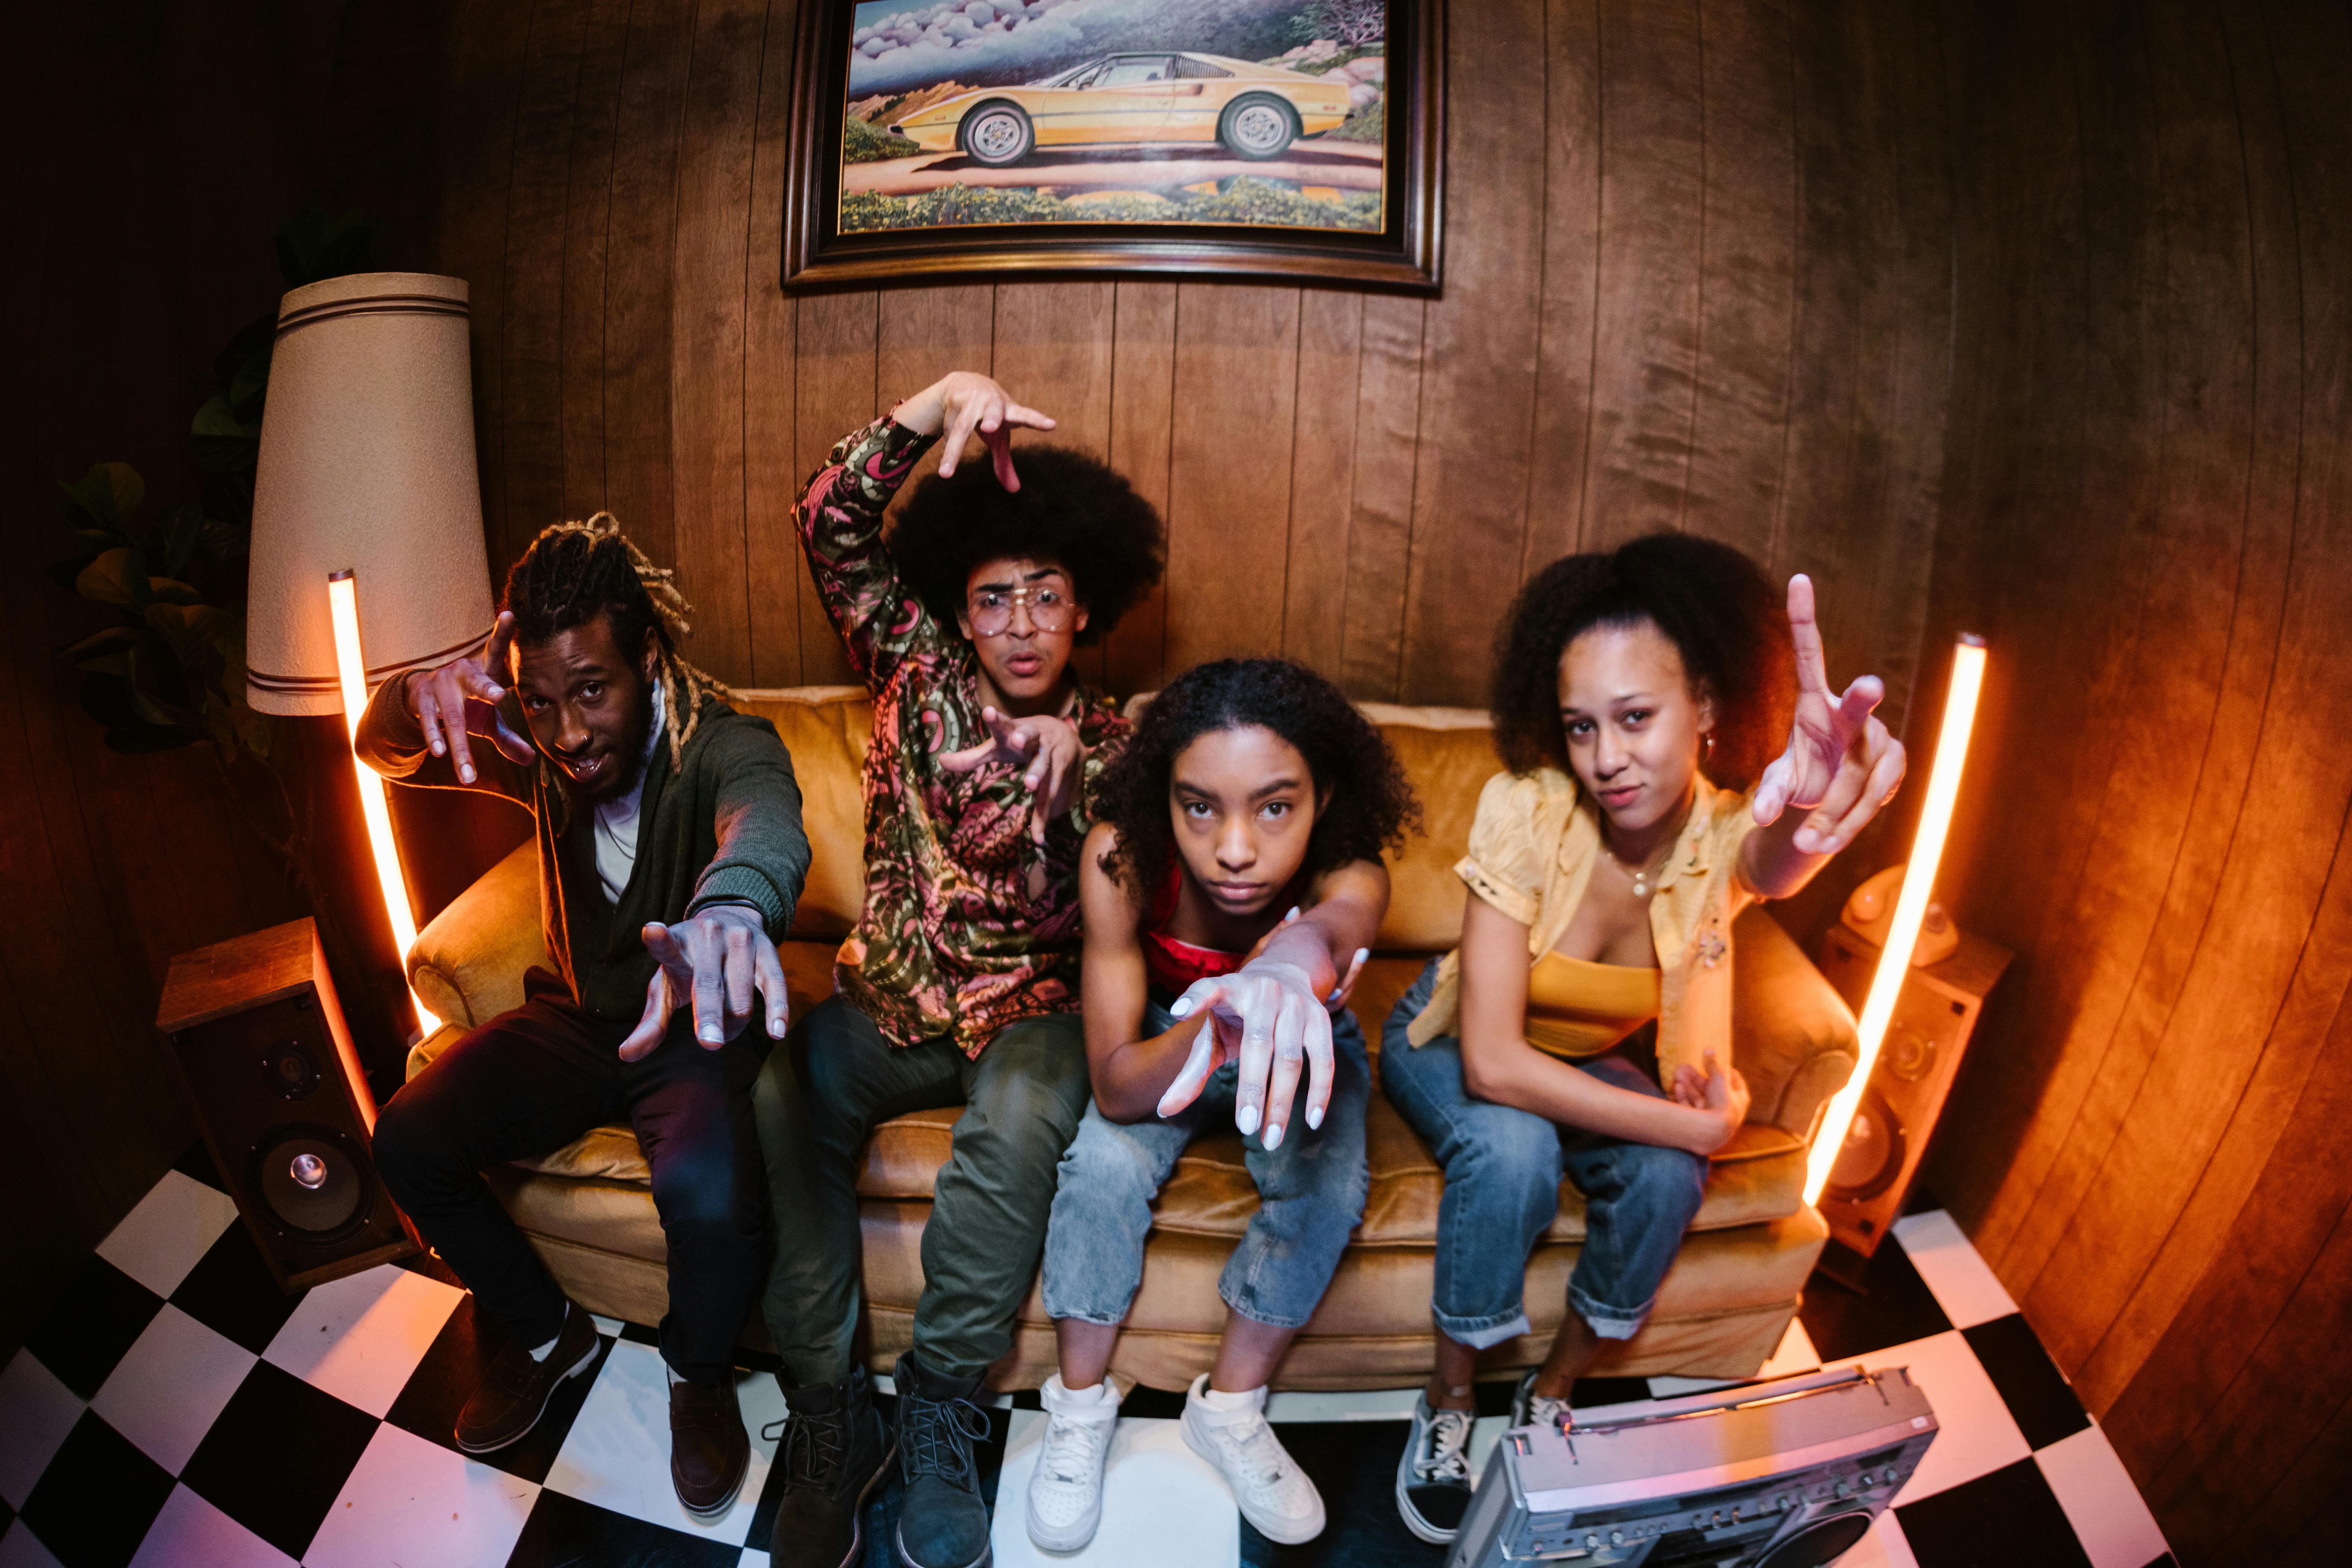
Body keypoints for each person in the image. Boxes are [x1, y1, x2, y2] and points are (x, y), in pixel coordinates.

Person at [1381, 534, 1908, 1546]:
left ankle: (1553, 1389)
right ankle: (1449, 1400)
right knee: (1511, 1147)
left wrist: (1808, 803)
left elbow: (1774, 857)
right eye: (1581, 726)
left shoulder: (1719, 834)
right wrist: (1684, 1124)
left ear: (1705, 708)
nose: (1605, 757)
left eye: (1634, 718)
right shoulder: (1525, 810)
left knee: (1665, 1180)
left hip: (1580, 1058)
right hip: (1449, 1036)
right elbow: (1491, 1064)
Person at [758, 371, 1165, 1568]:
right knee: (777, 1094)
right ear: (963, 613)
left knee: (1028, 1118)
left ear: (1083, 610)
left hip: (1030, 1010)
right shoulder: (911, 667)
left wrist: (1079, 781)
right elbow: (825, 523)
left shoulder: (1120, 742)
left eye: (1047, 597)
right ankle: (832, 1415)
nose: (1024, 623)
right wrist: (927, 409)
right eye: (996, 601)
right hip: (886, 997)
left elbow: (1150, 878)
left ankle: (941, 1408)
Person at [360, 515, 809, 1520]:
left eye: (593, 692)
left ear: (645, 658)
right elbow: (379, 748)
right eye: (544, 701)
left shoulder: (721, 740)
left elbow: (765, 817)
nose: (568, 734)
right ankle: (541, 1330)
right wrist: (405, 700)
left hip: (686, 1022)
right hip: (577, 1021)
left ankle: (696, 1377)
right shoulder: (530, 736)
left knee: (705, 1194)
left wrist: (732, 903)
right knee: (406, 1139)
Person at [1025, 659, 1417, 1552]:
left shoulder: (1347, 866)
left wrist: (1280, 969)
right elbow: (1119, 1086)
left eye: (1273, 806)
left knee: (1326, 1185)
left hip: (1300, 1034)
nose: (1234, 848)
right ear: (1162, 797)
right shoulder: (1117, 856)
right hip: (1174, 1034)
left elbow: (1334, 924)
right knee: (1095, 1170)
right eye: (1199, 805)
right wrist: (1220, 1031)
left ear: (1321, 799)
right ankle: (1079, 1408)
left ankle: (1231, 1410)